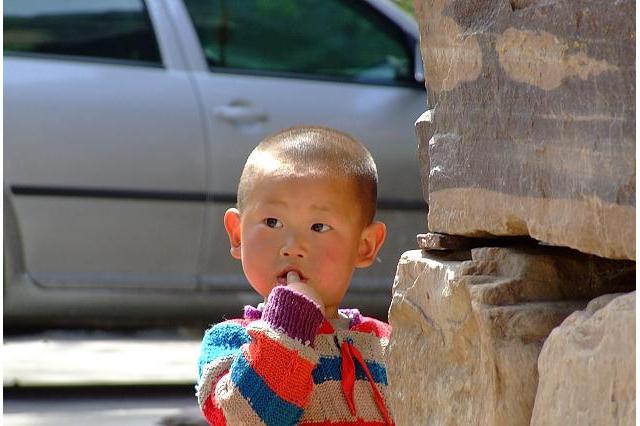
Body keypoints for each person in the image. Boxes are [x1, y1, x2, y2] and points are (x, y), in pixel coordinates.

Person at [196, 125, 394, 425]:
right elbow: (248, 419)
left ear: (364, 246)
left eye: (319, 227)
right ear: (237, 235)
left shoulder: (385, 345)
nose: (292, 247)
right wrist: (289, 324)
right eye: (272, 222)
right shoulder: (229, 343)